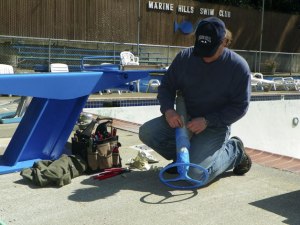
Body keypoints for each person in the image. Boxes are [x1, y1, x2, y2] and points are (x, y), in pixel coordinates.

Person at [139, 16, 252, 185]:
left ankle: (235, 151)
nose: (205, 57)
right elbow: (166, 88)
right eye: (201, 50)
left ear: (224, 42)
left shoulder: (238, 68)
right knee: (147, 133)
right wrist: (169, 110)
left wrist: (208, 121)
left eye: (211, 51)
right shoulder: (185, 57)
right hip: (184, 119)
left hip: (214, 125)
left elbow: (240, 107)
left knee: (196, 175)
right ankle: (182, 160)